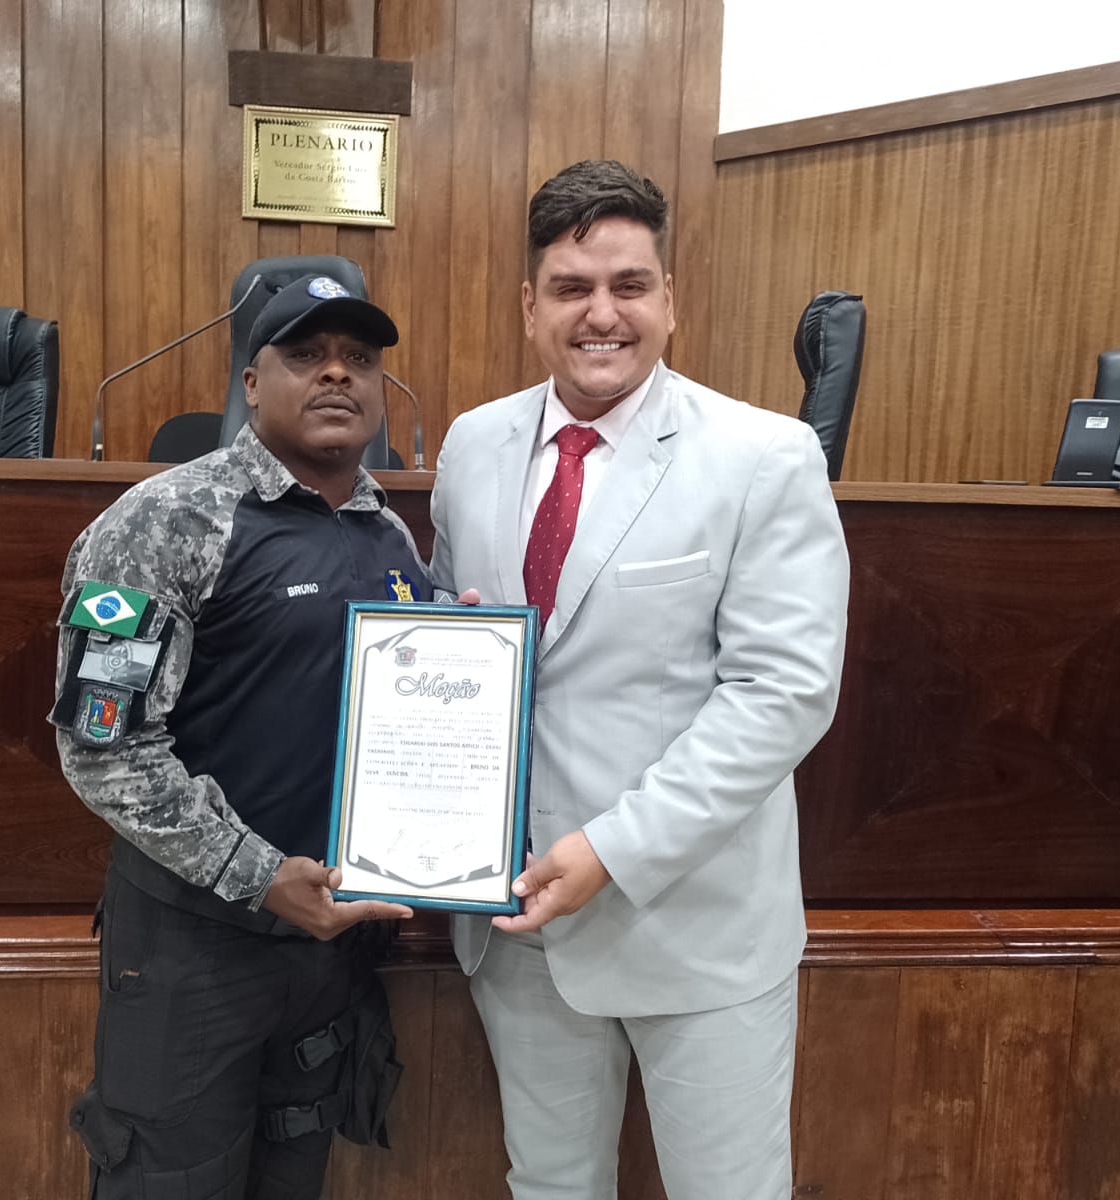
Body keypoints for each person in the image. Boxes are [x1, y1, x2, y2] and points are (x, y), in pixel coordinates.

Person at [429, 160, 850, 1199]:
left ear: (670, 299)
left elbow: (782, 695)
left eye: (629, 285)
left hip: (693, 923)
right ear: (530, 307)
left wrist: (612, 850)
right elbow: (455, 644)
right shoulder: (473, 445)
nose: (602, 314)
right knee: (549, 1185)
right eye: (571, 288)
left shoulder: (763, 455)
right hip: (516, 923)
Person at [50, 273, 428, 1200]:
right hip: (195, 946)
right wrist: (259, 877)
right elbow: (103, 748)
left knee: (295, 1173)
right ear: (251, 384)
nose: (336, 374)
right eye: (305, 355)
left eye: (359, 359)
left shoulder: (392, 538)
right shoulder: (163, 521)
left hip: (328, 944)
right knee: (169, 1181)